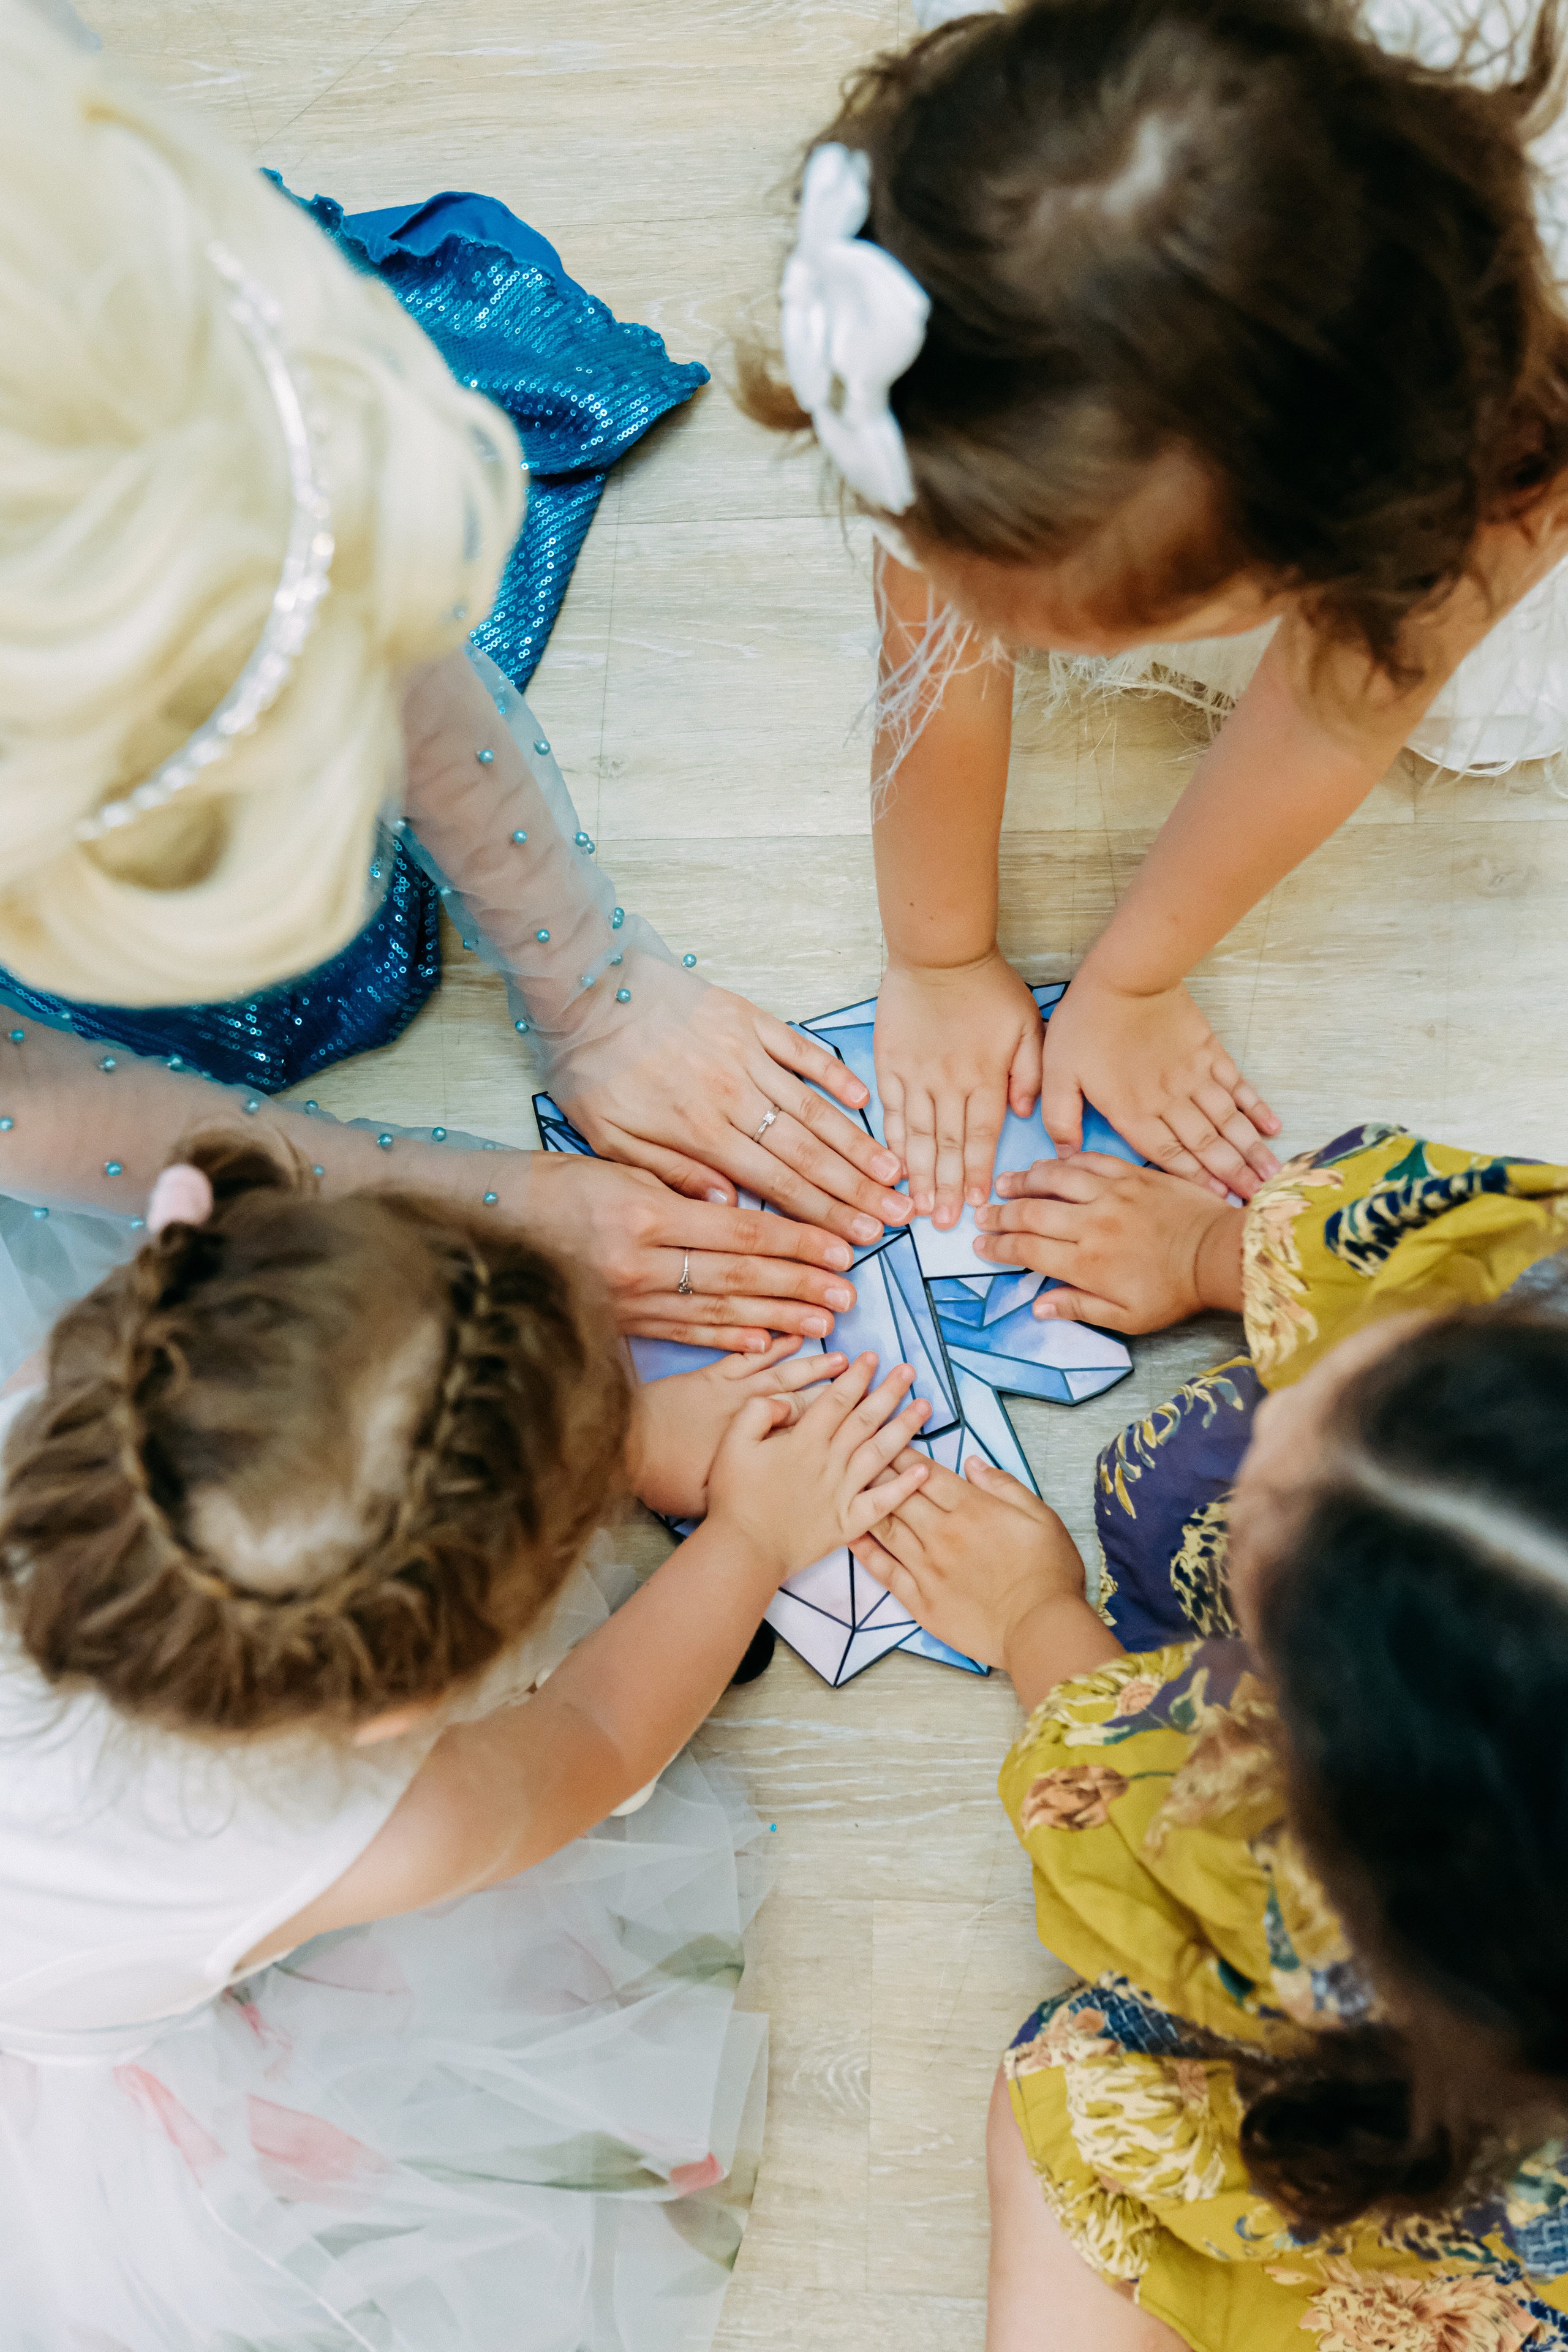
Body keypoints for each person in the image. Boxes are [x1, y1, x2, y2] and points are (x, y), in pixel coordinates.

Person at [0, 1, 910, 1381]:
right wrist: (453, 1190)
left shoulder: (154, 353)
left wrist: (598, 987)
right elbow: (22, 1103)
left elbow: (386, 625)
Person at [0, 1131, 932, 2351]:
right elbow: (594, 1736)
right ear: (396, 1713)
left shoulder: (71, 1427)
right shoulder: (373, 1829)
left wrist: (609, 1434)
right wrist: (752, 1539)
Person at [744, 0, 1568, 1226]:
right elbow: (929, 642)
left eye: (1104, 631)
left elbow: (1336, 716)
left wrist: (1131, 980)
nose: (1025, 644)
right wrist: (937, 952)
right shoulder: (968, 317)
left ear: (1318, 552)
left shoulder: (1497, 441)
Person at [849, 1123, 1568, 2348]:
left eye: (1271, 1529)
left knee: (1065, 2086)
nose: (1268, 1448)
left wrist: (1031, 1613)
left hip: (1469, 2218)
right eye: (1397, 1374)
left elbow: (1118, 1793)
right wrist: (1202, 1248)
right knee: (1165, 1482)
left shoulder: (1299, 1905)